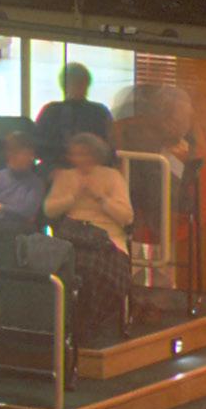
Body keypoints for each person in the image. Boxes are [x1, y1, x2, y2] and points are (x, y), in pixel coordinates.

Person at [44, 131, 134, 347]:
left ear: (95, 155)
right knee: (68, 265)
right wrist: (72, 197)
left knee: (92, 269)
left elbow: (126, 217)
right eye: (75, 154)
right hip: (73, 234)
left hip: (106, 236)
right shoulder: (65, 177)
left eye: (84, 154)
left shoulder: (112, 177)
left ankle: (88, 324)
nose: (79, 159)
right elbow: (49, 210)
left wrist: (101, 198)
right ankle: (64, 323)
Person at [33, 62, 113, 166]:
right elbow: (39, 147)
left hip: (91, 169)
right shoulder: (51, 111)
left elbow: (108, 149)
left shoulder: (99, 112)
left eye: (81, 82)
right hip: (57, 168)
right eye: (75, 82)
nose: (79, 86)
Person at [0, 130, 47, 237]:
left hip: (21, 231)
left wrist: (1, 208)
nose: (30, 159)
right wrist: (12, 211)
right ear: (11, 154)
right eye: (25, 154)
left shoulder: (36, 183)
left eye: (31, 154)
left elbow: (28, 211)